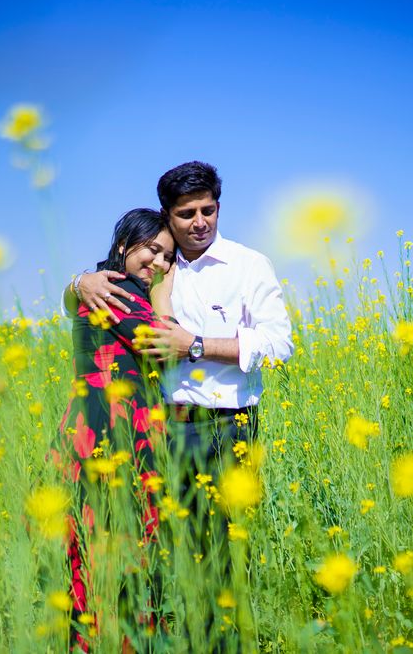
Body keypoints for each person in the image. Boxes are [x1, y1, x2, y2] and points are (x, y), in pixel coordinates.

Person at [73, 161, 294, 649]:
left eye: (208, 210)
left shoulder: (247, 265)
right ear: (166, 217)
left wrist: (197, 345)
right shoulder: (156, 268)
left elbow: (278, 345)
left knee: (221, 561)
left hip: (226, 429)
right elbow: (102, 299)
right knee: (158, 561)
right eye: (187, 213)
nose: (200, 222)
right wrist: (79, 280)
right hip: (157, 435)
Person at [54, 208, 176, 652]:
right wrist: (165, 299)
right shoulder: (118, 291)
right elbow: (162, 347)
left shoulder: (102, 284)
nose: (158, 263)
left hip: (114, 431)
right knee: (116, 550)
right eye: (151, 249)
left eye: (167, 256)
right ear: (125, 245)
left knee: (101, 552)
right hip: (108, 435)